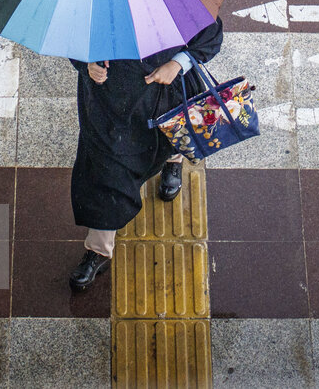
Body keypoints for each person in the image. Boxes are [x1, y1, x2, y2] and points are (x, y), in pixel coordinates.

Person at [67, 17, 224, 290]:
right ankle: (99, 249)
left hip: (166, 95)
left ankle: (173, 161)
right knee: (106, 174)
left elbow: (210, 34)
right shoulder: (91, 2)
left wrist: (177, 64)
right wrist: (87, 64)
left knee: (172, 137)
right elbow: (73, 40)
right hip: (110, 111)